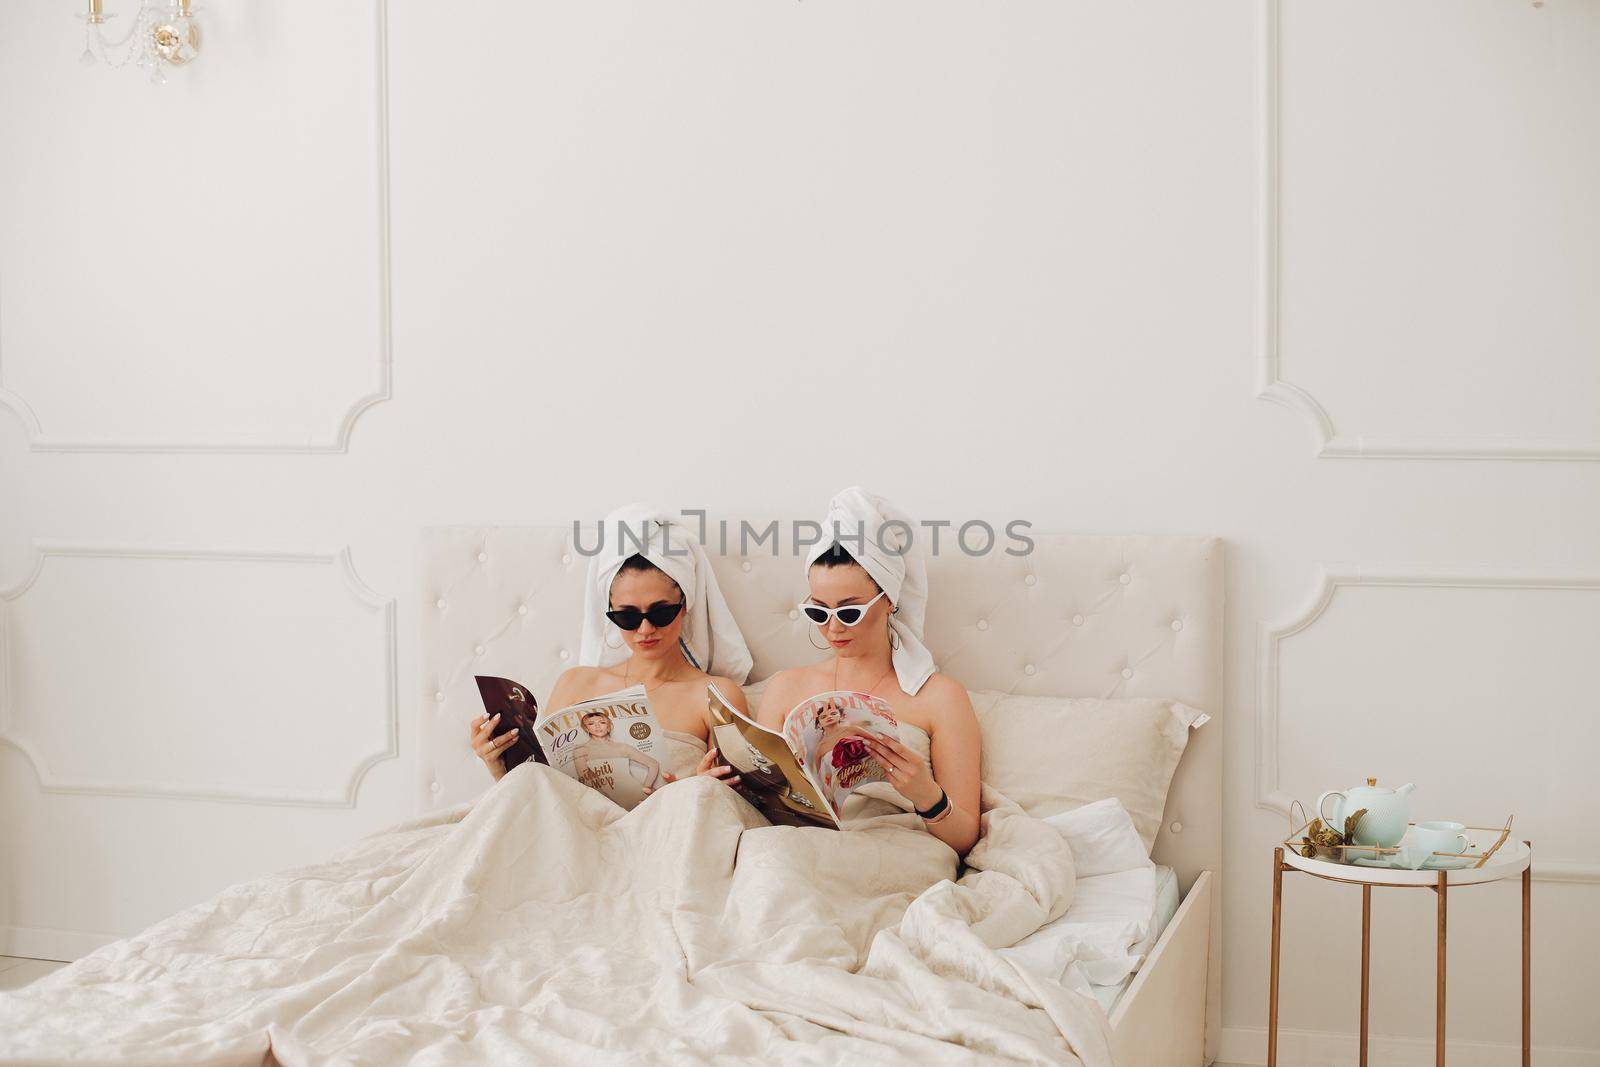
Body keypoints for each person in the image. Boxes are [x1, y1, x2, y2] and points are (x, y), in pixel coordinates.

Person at [757, 487, 982, 856]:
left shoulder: (940, 697)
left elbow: (965, 838)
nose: (833, 629)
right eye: (818, 612)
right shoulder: (785, 688)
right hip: (799, 849)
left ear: (889, 601)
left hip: (898, 851)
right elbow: (760, 809)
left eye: (849, 612)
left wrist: (928, 796)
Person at [471, 503, 753, 790]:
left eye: (660, 613)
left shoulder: (715, 694)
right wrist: (498, 765)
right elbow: (542, 793)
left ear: (685, 605)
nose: (645, 629)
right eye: (627, 616)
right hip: (576, 827)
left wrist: (696, 788)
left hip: (667, 828)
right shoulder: (576, 683)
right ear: (609, 612)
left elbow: (739, 801)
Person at [571, 708, 664, 791]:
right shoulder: (580, 750)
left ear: (608, 726)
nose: (597, 726)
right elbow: (587, 782)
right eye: (591, 723)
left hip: (634, 792)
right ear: (586, 728)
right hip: (606, 800)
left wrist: (646, 788)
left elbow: (653, 764)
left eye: (602, 722)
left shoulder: (622, 747)